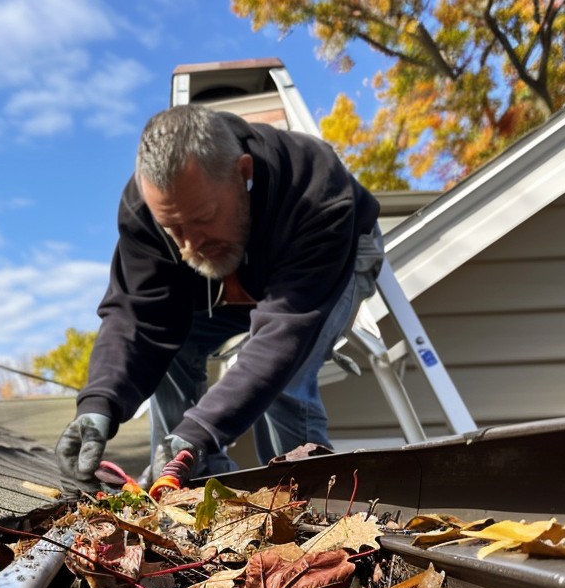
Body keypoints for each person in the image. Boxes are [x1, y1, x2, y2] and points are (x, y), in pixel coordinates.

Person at [56, 103, 384, 492]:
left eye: (203, 217)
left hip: (333, 262)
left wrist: (200, 429)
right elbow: (136, 318)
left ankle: (302, 501)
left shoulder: (314, 186)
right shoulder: (147, 211)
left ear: (243, 173)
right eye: (173, 229)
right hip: (222, 280)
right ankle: (186, 487)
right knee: (167, 351)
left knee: (285, 377)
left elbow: (285, 332)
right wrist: (98, 404)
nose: (189, 244)